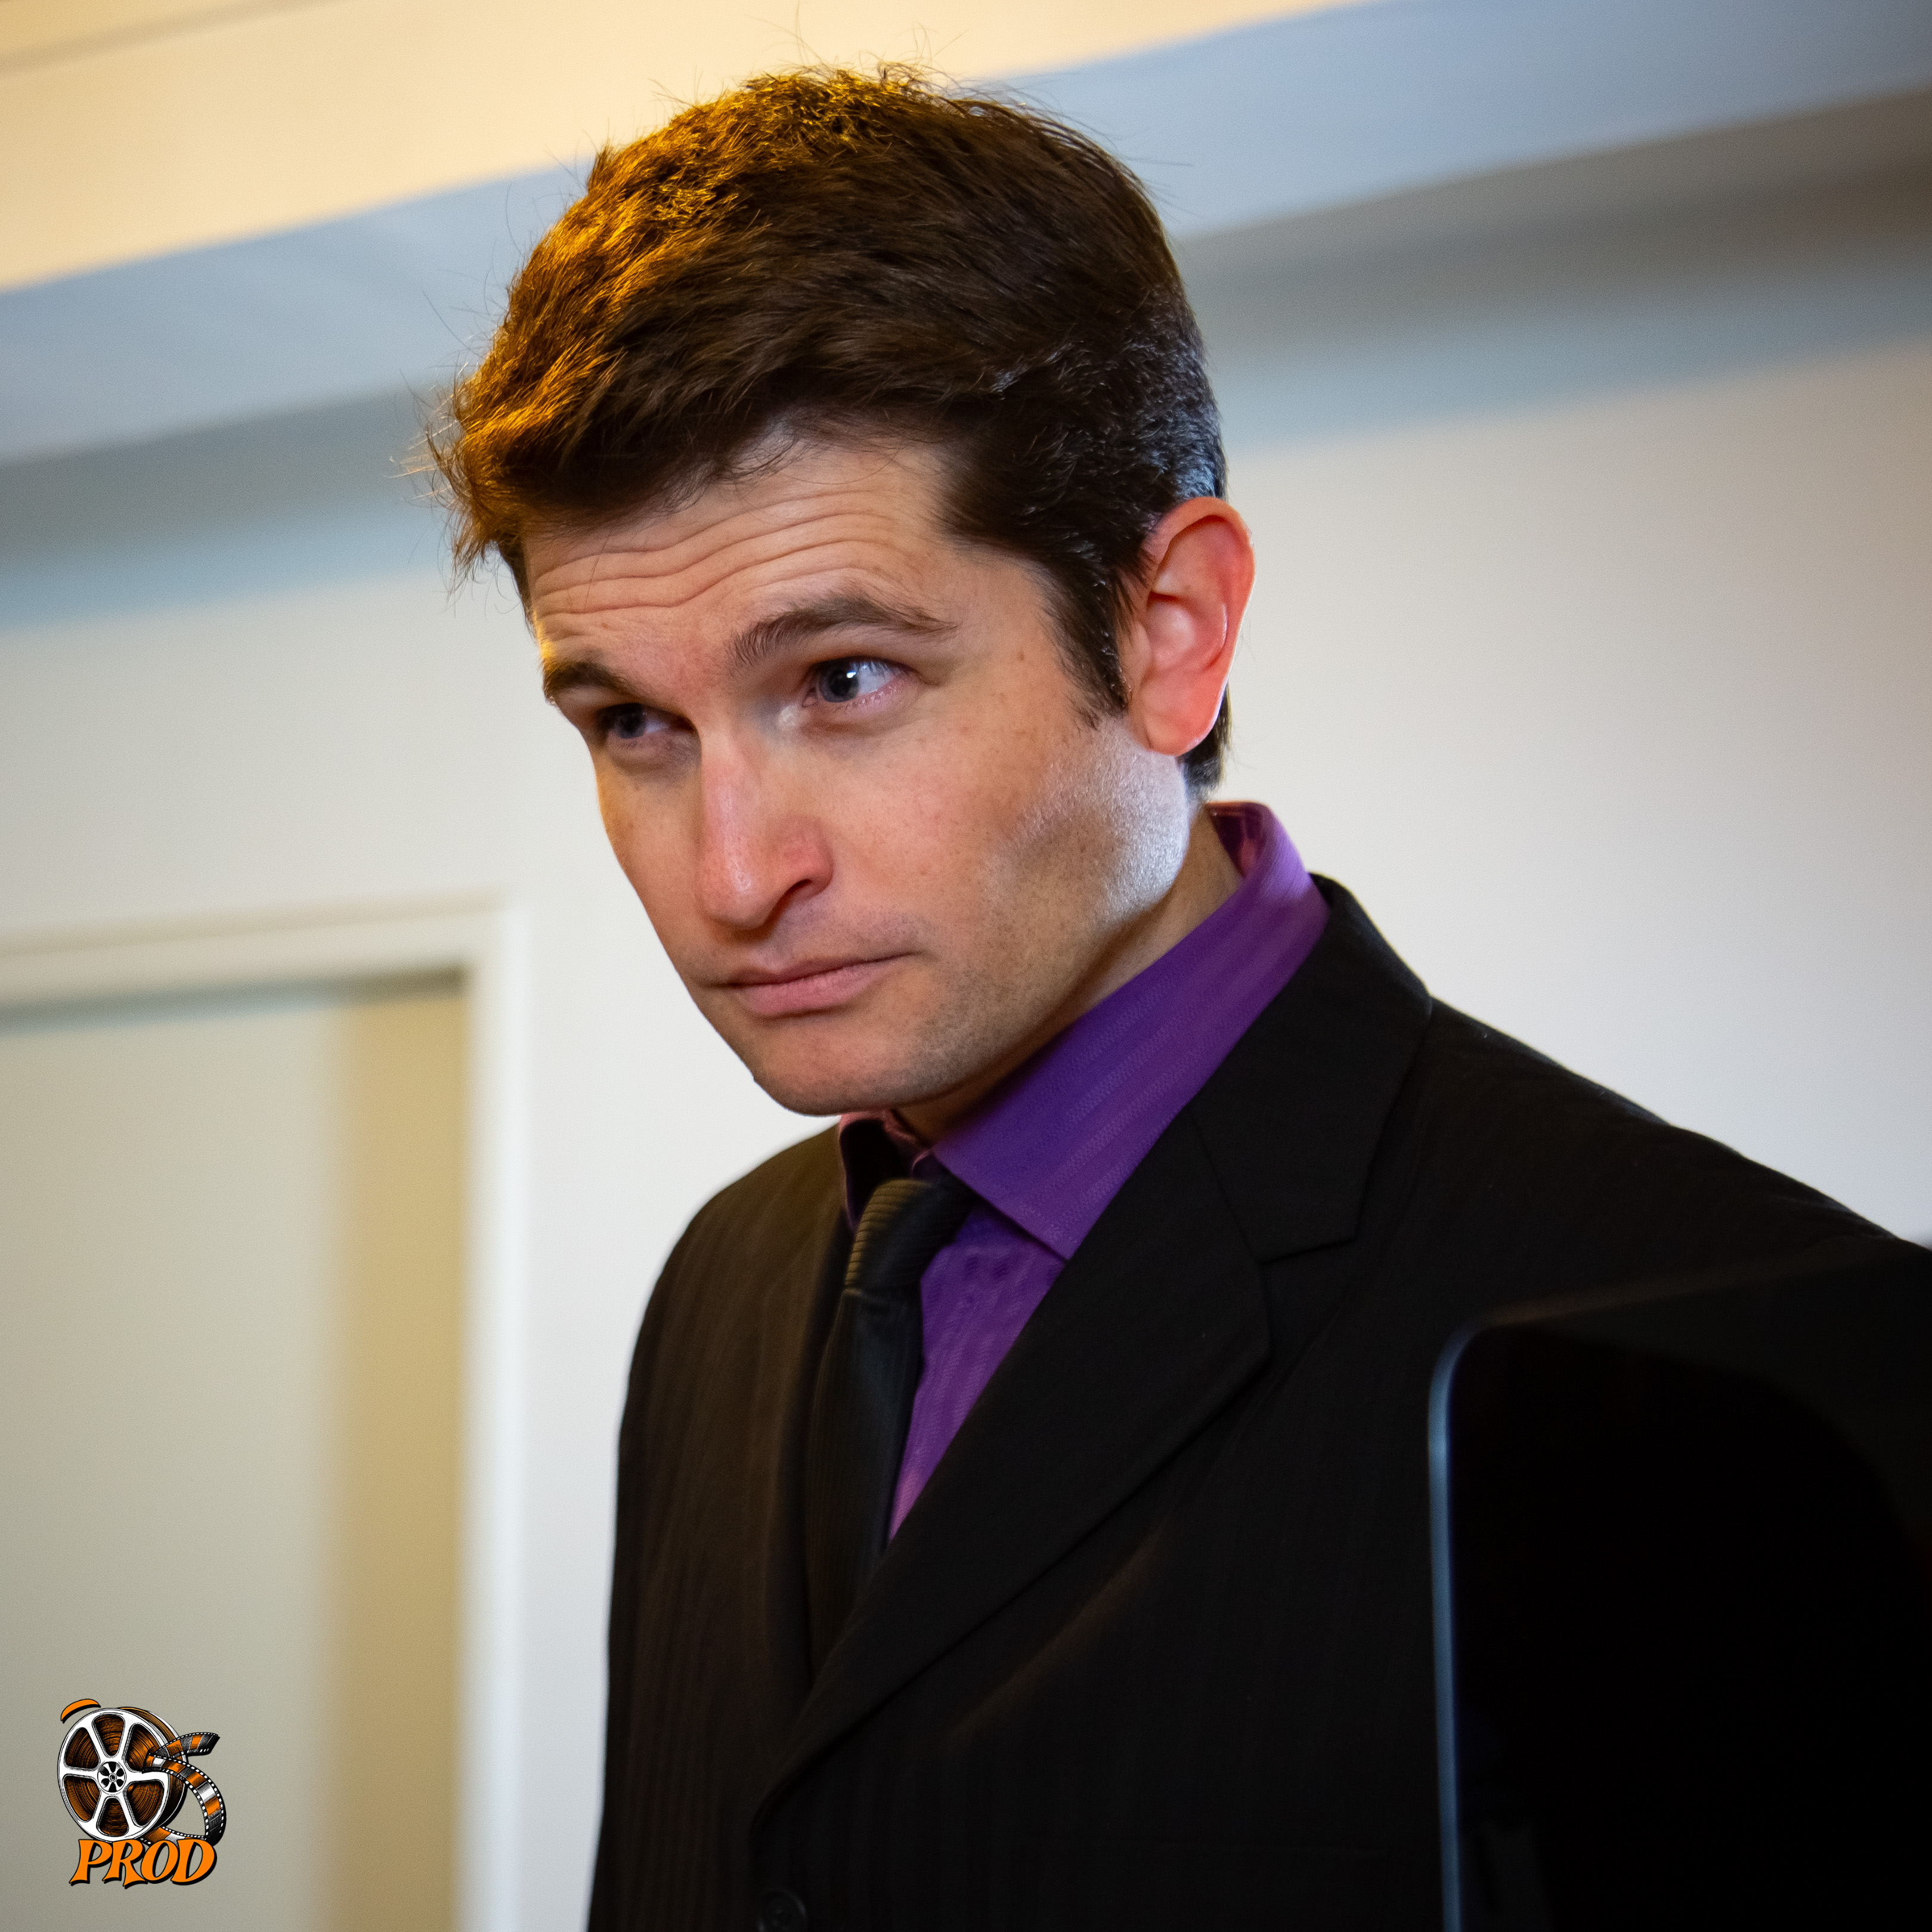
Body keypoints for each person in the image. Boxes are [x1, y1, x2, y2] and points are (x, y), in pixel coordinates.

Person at [430, 67, 1894, 1932]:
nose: (730, 876)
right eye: (634, 723)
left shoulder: (1731, 1359)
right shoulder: (720, 1289)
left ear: (1170, 630)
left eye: (847, 678)